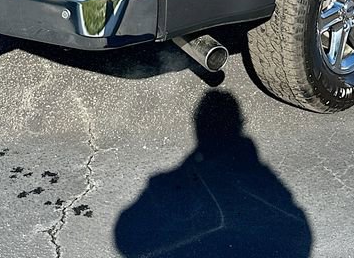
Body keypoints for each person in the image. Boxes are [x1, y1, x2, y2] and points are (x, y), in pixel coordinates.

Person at [114, 91, 313, 257]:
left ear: (198, 126)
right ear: (240, 124)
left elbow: (127, 237)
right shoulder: (265, 185)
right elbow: (300, 236)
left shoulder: (169, 185)